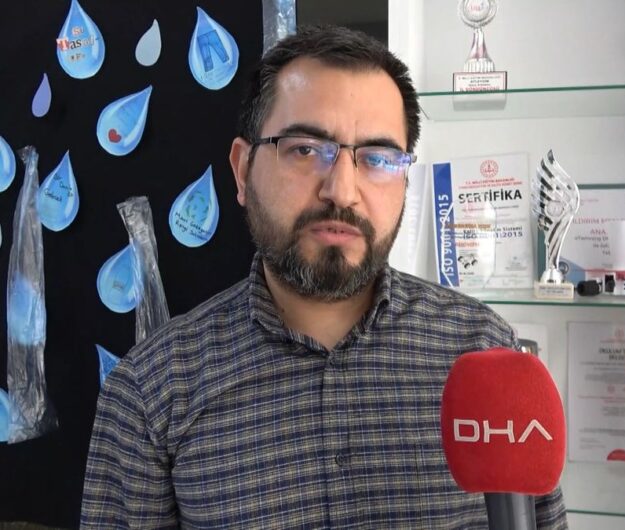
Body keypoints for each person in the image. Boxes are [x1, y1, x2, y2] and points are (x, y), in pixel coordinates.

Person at [80, 25, 567, 529]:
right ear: (242, 170)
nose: (342, 191)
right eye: (306, 149)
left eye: (378, 159)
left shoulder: (485, 354)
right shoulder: (151, 391)